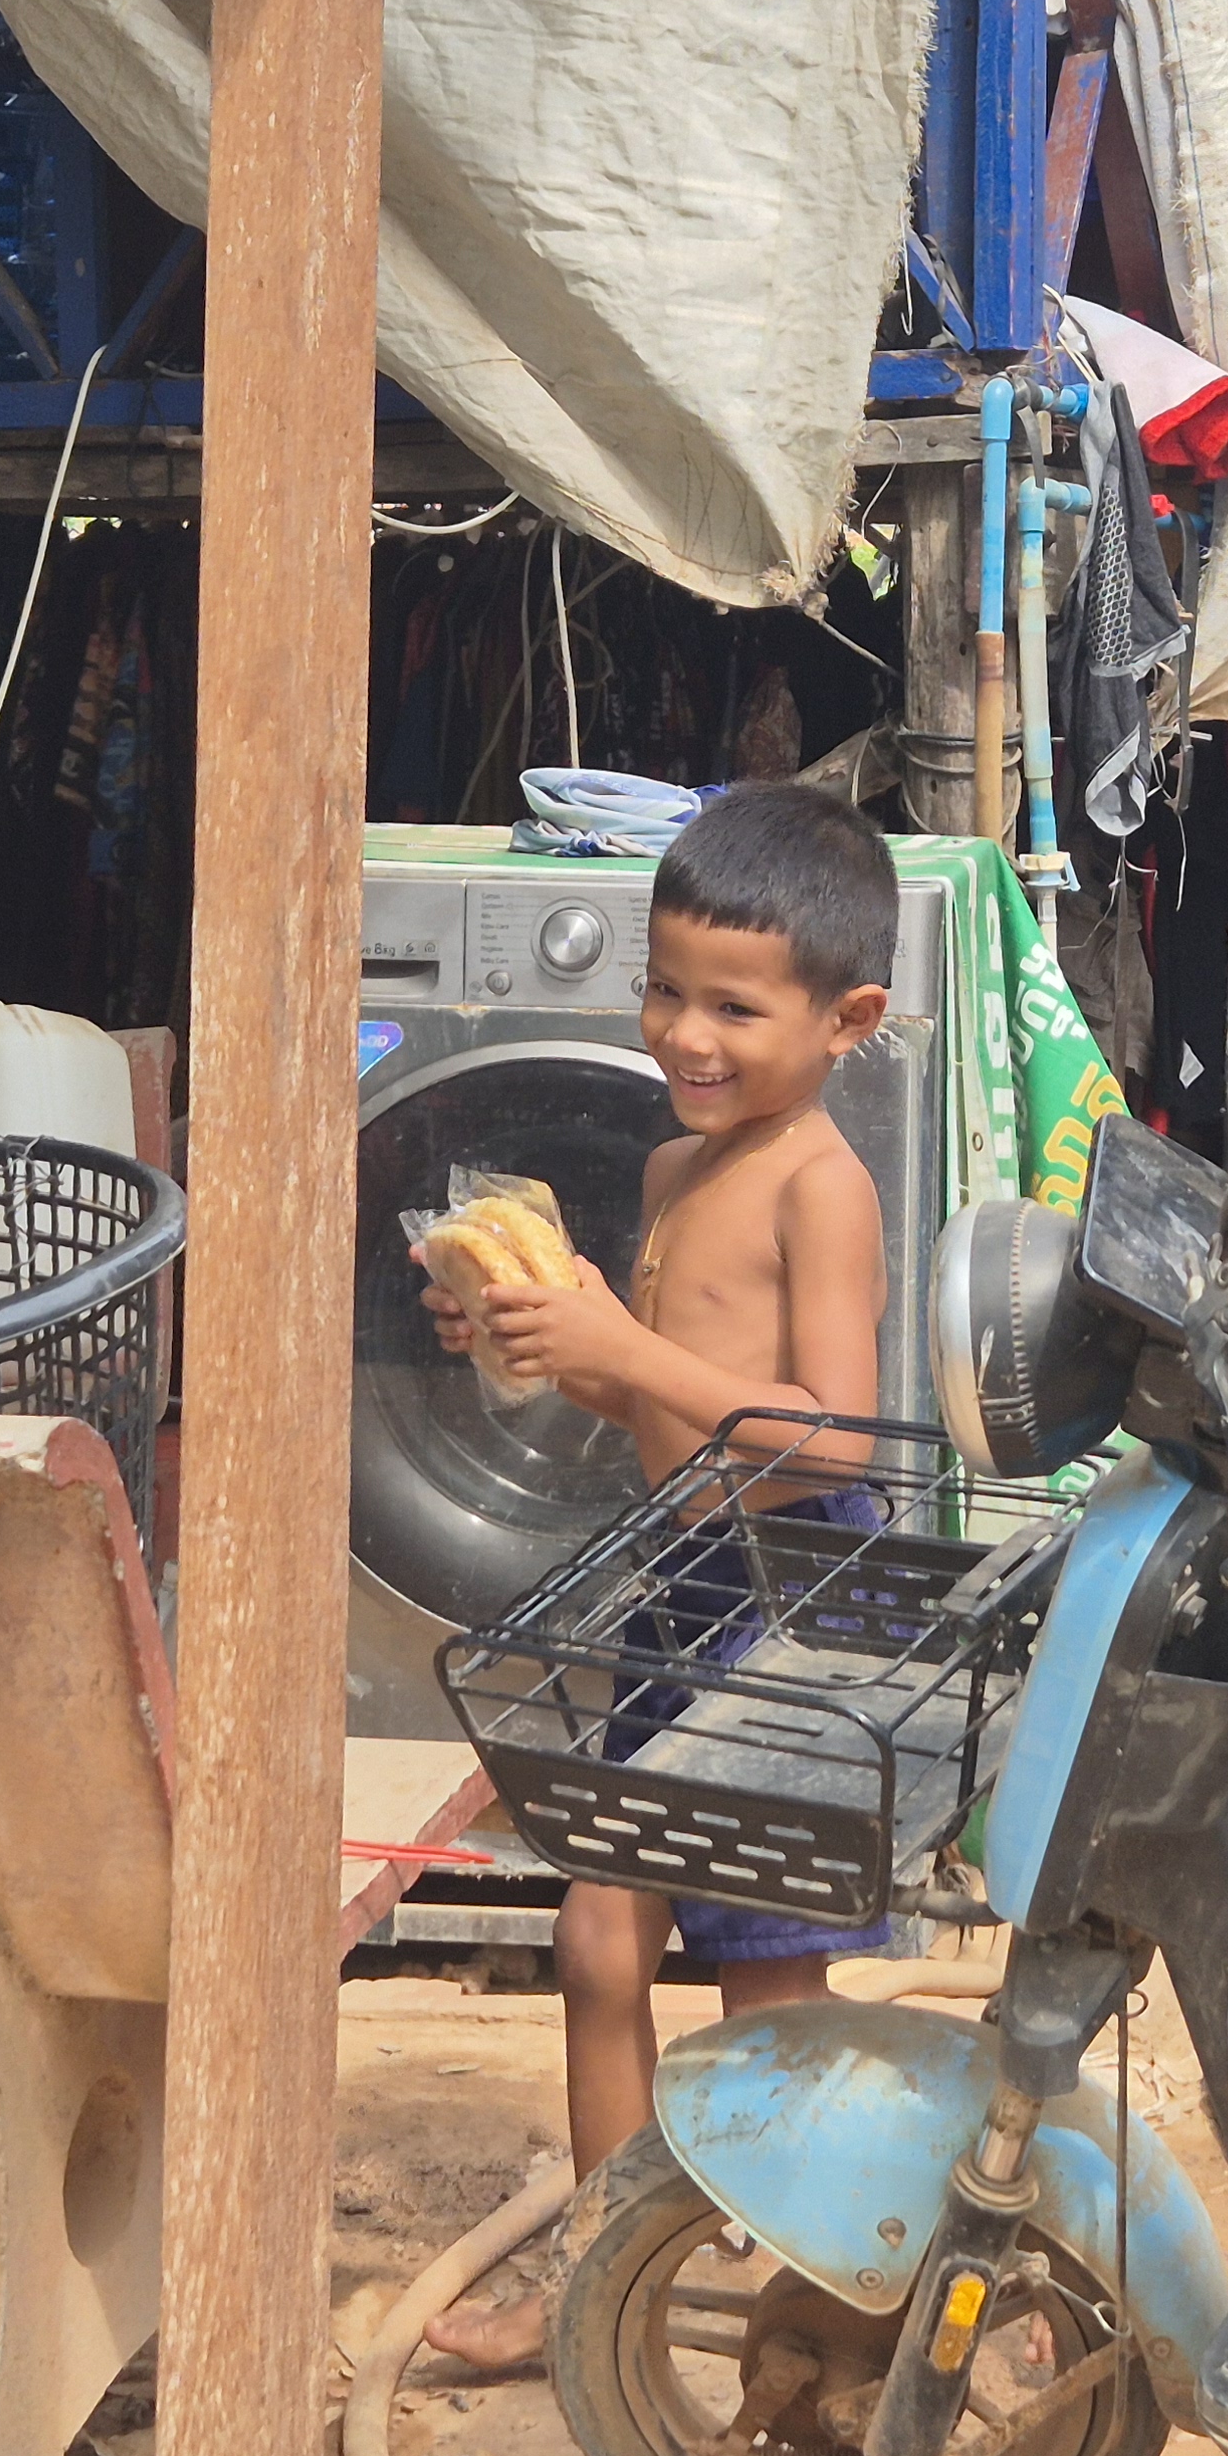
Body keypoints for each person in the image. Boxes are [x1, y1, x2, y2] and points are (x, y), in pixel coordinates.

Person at [416, 783, 897, 2371]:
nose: (686, 1034)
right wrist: (537, 1343)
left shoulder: (822, 1186)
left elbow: (835, 1440)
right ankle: (600, 2287)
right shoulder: (673, 1174)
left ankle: (814, 2312)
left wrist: (621, 1347)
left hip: (795, 1596)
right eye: (665, 989)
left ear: (847, 1021)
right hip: (684, 1584)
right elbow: (655, 1411)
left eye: (734, 1008)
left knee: (767, 1984)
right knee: (598, 1944)